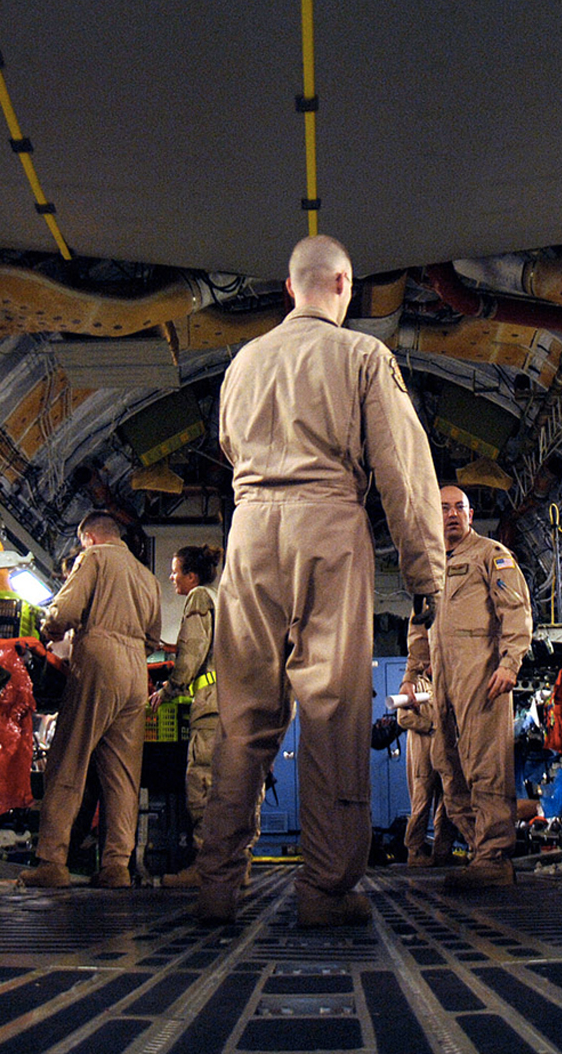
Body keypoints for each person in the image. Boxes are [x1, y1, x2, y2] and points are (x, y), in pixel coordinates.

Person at [192, 235, 444, 927]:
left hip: (247, 535)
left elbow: (228, 446)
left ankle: (217, 884)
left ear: (287, 288)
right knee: (332, 712)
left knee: (244, 720)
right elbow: (402, 472)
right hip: (327, 526)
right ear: (344, 287)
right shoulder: (363, 356)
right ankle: (327, 890)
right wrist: (426, 574)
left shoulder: (243, 361)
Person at [18, 511, 161, 889]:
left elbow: (64, 611)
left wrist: (50, 628)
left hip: (99, 656)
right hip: (136, 670)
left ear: (91, 538)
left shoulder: (94, 558)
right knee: (123, 776)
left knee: (68, 760)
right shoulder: (147, 576)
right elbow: (154, 636)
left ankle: (52, 861)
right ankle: (117, 865)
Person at [400, 485, 532, 889]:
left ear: (471, 516)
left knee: (485, 767)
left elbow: (515, 609)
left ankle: (495, 856)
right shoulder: (430, 570)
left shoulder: (490, 555)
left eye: (460, 507)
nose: (452, 514)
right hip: (442, 684)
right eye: (443, 508)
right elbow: (419, 632)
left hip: (482, 676)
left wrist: (510, 663)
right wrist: (411, 676)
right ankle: (482, 850)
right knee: (447, 768)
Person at [155, 544, 233, 887]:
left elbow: (191, 652)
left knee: (203, 786)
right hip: (232, 705)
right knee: (236, 789)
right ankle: (235, 869)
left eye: (176, 571)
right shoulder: (222, 600)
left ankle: (206, 870)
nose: (172, 577)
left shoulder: (200, 598)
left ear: (192, 575)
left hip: (211, 708)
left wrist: (170, 689)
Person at [395, 682, 466, 867]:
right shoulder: (414, 684)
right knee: (422, 801)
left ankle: (443, 851)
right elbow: (403, 718)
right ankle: (414, 851)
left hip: (446, 751)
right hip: (423, 752)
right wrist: (431, 725)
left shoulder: (446, 679)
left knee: (447, 800)